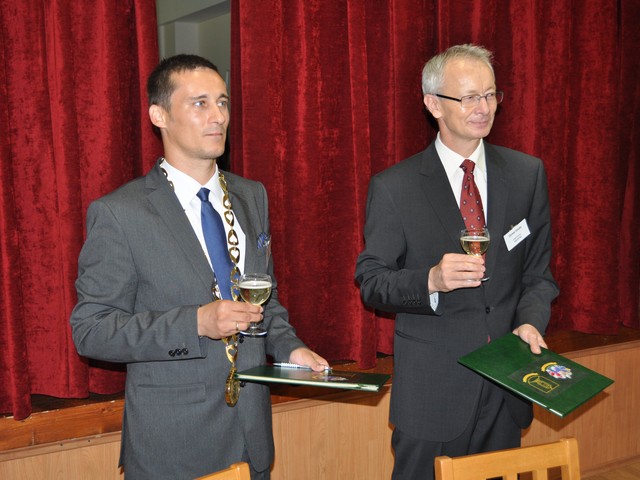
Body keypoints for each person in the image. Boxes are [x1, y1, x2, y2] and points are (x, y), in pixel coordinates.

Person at [70, 54, 328, 480]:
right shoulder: (120, 213)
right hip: (174, 447)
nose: (218, 116)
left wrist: (289, 348)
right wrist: (195, 323)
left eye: (222, 102)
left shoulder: (251, 196)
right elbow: (92, 330)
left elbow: (264, 299)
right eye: (200, 103)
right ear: (159, 115)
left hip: (251, 437)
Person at [355, 44, 559, 480]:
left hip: (506, 384)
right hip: (433, 392)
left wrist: (530, 322)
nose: (483, 108)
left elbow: (538, 275)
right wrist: (430, 280)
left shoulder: (526, 174)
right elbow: (371, 281)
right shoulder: (395, 187)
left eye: (490, 95)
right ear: (433, 104)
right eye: (468, 97)